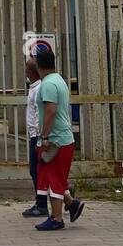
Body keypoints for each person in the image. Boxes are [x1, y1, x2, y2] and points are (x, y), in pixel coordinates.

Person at [33, 46, 83, 231]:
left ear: (38, 65)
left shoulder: (47, 84)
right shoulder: (58, 80)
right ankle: (71, 204)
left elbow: (50, 110)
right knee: (55, 176)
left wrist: (44, 137)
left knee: (53, 179)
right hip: (63, 138)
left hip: (55, 139)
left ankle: (56, 217)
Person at [21, 57, 49, 218]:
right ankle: (65, 192)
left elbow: (40, 113)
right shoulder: (34, 87)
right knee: (40, 170)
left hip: (37, 135)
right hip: (34, 134)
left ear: (31, 72)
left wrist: (40, 135)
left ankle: (42, 203)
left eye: (26, 69)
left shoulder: (39, 89)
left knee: (36, 170)